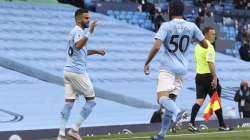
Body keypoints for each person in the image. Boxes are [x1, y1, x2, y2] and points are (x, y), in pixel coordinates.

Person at [144, 0, 208, 139]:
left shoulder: (166, 26)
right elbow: (205, 44)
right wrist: (193, 40)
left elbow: (156, 47)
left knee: (161, 99)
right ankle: (162, 135)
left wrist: (147, 62)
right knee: (170, 103)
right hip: (182, 70)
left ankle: (179, 114)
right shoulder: (192, 26)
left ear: (170, 11)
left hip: (168, 68)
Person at [57, 8, 106, 140]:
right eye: (86, 18)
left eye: (88, 18)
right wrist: (90, 31)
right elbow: (79, 45)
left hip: (67, 71)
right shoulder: (78, 31)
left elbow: (81, 50)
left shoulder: (74, 32)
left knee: (68, 103)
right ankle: (74, 130)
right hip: (77, 73)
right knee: (91, 102)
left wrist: (96, 51)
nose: (88, 20)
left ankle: (61, 135)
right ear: (78, 19)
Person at [188, 26, 231, 133]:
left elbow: (197, 61)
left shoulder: (197, 46)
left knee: (199, 101)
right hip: (208, 76)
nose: (214, 36)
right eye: (212, 34)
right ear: (205, 35)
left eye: (214, 34)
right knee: (216, 100)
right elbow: (210, 63)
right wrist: (215, 78)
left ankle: (191, 123)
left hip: (199, 76)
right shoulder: (209, 46)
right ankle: (222, 125)